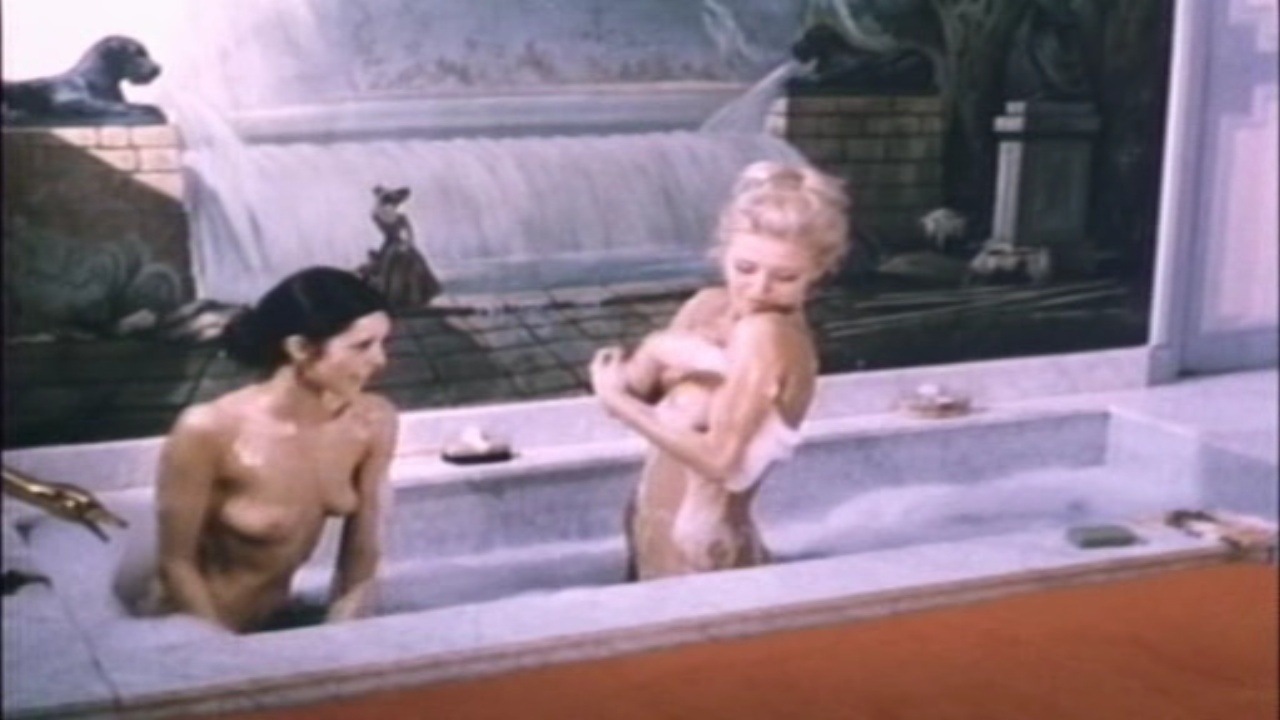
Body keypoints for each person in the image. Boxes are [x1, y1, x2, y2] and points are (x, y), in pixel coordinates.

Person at [590, 161, 850, 580]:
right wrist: (655, 351)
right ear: (724, 252)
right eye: (745, 268)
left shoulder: (769, 336)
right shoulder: (706, 306)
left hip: (702, 550)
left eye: (785, 277)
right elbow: (640, 394)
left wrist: (617, 401)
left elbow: (722, 462)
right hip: (646, 528)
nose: (759, 289)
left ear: (816, 272)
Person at [125, 267, 398, 633]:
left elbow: (362, 548)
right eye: (362, 346)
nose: (380, 360)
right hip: (194, 628)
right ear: (300, 349)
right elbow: (175, 565)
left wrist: (342, 634)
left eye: (383, 343)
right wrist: (224, 652)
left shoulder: (371, 422)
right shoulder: (210, 429)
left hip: (275, 623)